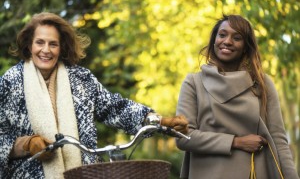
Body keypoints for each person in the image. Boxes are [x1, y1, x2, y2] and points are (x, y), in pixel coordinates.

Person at [0, 12, 188, 179]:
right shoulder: (11, 81)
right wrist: (27, 144)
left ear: (61, 47)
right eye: (40, 42)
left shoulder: (81, 78)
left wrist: (158, 120)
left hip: (85, 172)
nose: (46, 50)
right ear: (29, 45)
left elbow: (114, 107)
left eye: (53, 44)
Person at [175, 14, 299, 179]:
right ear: (214, 40)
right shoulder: (194, 83)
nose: (227, 41)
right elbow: (183, 137)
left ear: (246, 46)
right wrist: (236, 142)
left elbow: (278, 140)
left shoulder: (262, 83)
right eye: (222, 35)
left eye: (237, 37)